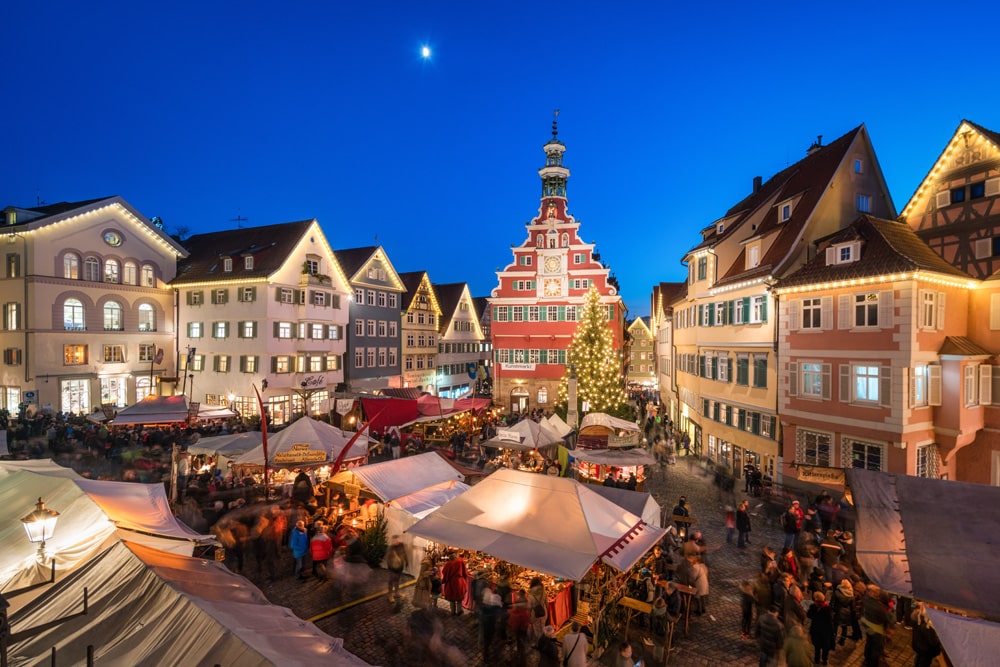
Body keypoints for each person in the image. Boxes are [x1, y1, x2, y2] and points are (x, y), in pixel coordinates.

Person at [807, 590, 836, 666]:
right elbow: (830, 621)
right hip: (825, 631)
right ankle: (824, 660)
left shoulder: (813, 607)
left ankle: (816, 660)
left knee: (817, 646)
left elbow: (809, 615)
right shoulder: (827, 608)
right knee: (825, 647)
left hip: (816, 630)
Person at [910, 602, 942, 667]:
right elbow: (933, 641)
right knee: (923, 663)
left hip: (918, 645)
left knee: (918, 658)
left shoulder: (917, 616)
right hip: (926, 650)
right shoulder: (927, 623)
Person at [441, 551, 469, 615]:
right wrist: (464, 576)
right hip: (459, 582)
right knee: (459, 599)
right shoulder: (460, 560)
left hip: (451, 583)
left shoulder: (448, 564)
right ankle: (459, 611)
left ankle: (452, 612)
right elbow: (465, 572)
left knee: (452, 599)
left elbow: (444, 572)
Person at [385, 534, 409, 603]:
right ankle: (390, 595)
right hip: (392, 568)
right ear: (392, 541)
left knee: (397, 580)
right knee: (391, 581)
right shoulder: (390, 548)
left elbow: (404, 554)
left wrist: (407, 562)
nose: (395, 541)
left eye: (396, 540)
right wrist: (390, 567)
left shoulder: (401, 546)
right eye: (394, 540)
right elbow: (388, 558)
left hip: (399, 567)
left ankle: (397, 593)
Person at [832, 577, 855, 645]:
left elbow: (832, 603)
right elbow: (853, 607)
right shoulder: (851, 594)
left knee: (835, 626)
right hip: (847, 613)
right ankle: (842, 641)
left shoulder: (836, 592)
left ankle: (833, 640)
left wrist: (832, 611)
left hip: (838, 612)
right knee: (844, 627)